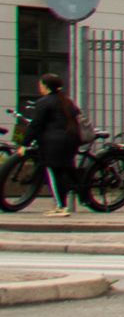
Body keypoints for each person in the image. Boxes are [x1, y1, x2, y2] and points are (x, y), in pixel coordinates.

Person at [19, 74, 84, 215]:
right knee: (64, 172)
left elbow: (36, 125)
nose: (39, 87)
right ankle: (74, 197)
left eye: (41, 85)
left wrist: (24, 144)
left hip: (53, 143)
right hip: (70, 141)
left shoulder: (44, 101)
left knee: (54, 175)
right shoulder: (66, 101)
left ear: (45, 86)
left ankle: (61, 206)